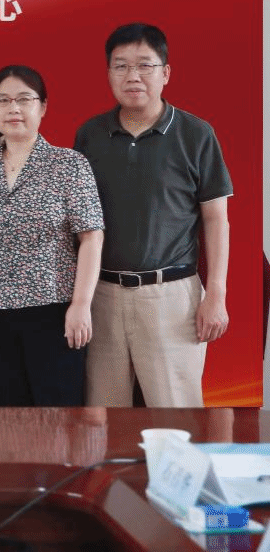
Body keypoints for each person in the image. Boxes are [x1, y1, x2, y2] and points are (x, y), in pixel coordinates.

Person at [74, 23, 232, 407]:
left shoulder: (196, 134)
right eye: (121, 66)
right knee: (104, 419)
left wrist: (216, 294)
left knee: (176, 416)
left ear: (166, 73)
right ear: (109, 73)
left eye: (145, 65)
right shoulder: (90, 135)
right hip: (102, 296)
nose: (133, 76)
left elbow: (216, 219)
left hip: (171, 297)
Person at [0, 66, 104, 407]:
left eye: (24, 99)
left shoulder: (69, 164)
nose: (13, 108)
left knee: (59, 416)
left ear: (42, 107)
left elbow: (91, 238)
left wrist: (81, 305)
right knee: (11, 418)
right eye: (2, 100)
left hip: (55, 312)